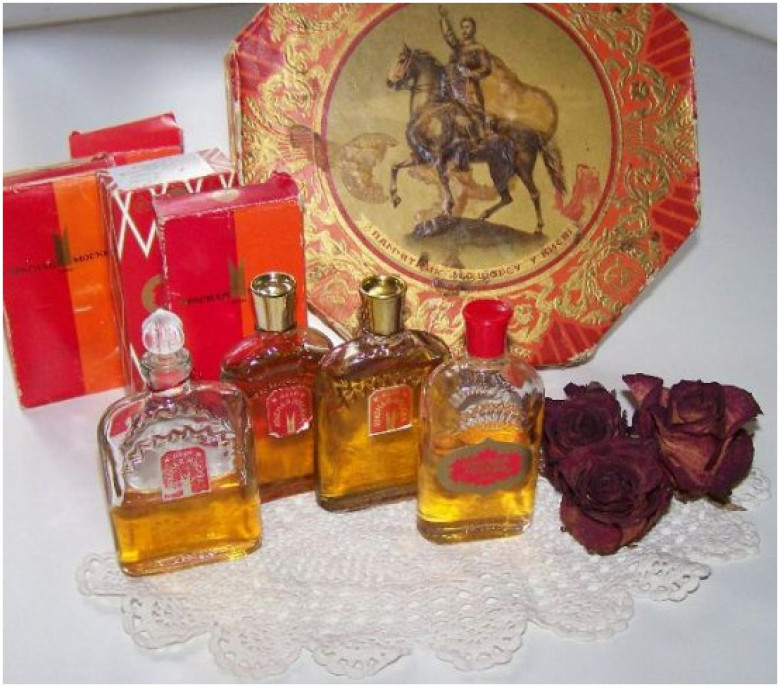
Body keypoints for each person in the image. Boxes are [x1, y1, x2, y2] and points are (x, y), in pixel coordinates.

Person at [439, 6, 492, 140]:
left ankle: (480, 140)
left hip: (469, 88)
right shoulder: (458, 47)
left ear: (473, 29)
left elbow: (486, 68)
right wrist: (444, 19)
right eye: (462, 27)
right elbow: (449, 36)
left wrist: (470, 74)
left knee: (474, 114)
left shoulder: (479, 48)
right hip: (452, 87)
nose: (464, 30)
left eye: (467, 27)